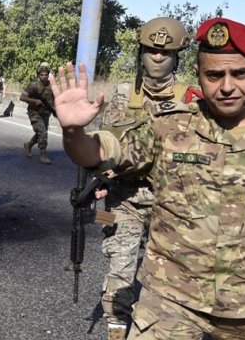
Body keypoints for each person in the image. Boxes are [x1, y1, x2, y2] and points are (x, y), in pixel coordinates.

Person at [52, 17, 245, 339]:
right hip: (163, 283)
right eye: (213, 74)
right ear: (199, 74)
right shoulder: (168, 124)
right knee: (120, 268)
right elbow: (102, 150)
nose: (226, 86)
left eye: (239, 73)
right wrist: (72, 131)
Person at [96, 17, 201, 340]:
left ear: (176, 58)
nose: (157, 58)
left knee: (171, 274)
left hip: (171, 200)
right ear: (140, 53)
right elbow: (104, 144)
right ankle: (116, 328)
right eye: (151, 51)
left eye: (165, 53)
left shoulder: (192, 100)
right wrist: (99, 182)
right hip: (123, 197)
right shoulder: (123, 96)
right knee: (120, 266)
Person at [20, 62, 56, 165]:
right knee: (43, 133)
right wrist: (34, 101)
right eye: (42, 74)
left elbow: (55, 98)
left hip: (46, 112)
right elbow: (22, 97)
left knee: (41, 132)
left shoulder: (51, 85)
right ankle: (43, 155)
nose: (44, 76)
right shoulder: (33, 85)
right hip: (34, 112)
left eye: (46, 74)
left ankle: (28, 145)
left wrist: (55, 110)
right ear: (38, 74)